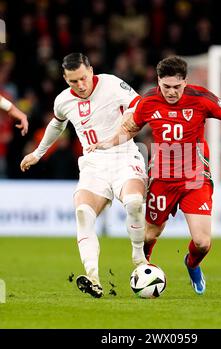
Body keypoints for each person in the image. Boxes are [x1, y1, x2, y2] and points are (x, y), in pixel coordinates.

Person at [87, 56, 221, 295]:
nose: (171, 92)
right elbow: (129, 128)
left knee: (203, 242)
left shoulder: (201, 98)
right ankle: (142, 272)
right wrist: (108, 142)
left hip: (194, 178)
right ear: (158, 81)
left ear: (185, 82)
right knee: (149, 235)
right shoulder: (148, 101)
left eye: (176, 87)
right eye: (166, 86)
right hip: (162, 177)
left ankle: (192, 264)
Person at [20, 53, 148, 298]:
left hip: (124, 155)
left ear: (91, 71)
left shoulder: (112, 84)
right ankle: (93, 277)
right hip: (93, 165)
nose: (80, 85)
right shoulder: (63, 101)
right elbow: (57, 125)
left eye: (83, 78)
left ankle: (139, 256)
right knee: (83, 213)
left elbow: (141, 106)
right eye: (73, 82)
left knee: (133, 202)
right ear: (65, 79)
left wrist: (127, 129)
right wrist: (38, 153)